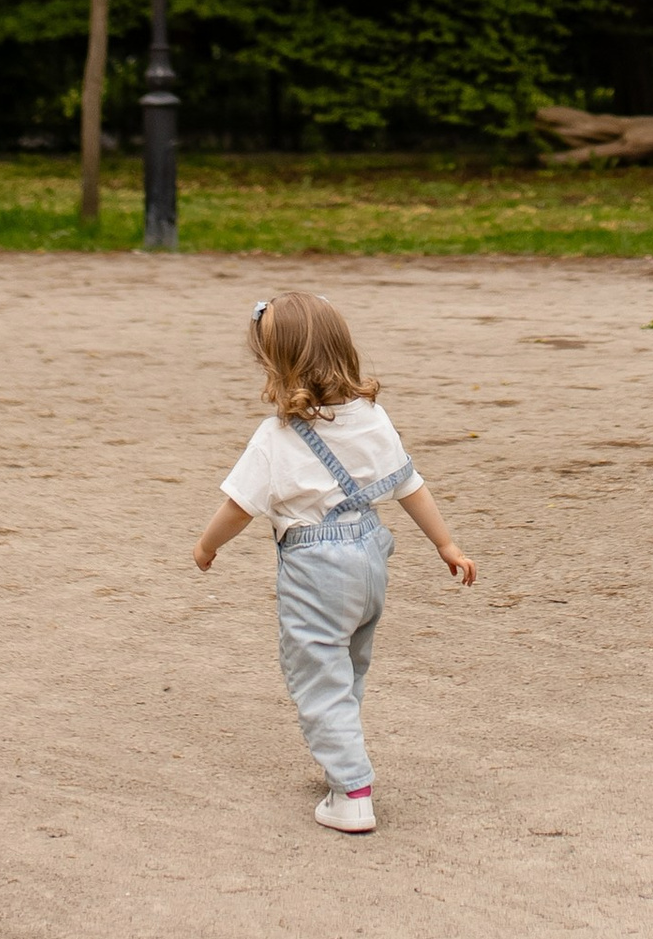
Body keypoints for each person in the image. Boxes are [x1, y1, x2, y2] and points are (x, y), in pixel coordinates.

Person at [195, 290, 476, 832]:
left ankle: (352, 792)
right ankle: (340, 761)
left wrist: (207, 546)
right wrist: (447, 545)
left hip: (317, 567)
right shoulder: (372, 417)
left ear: (275, 365)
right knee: (347, 667)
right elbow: (410, 486)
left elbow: (238, 507)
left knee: (316, 675)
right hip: (370, 557)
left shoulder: (276, 437)